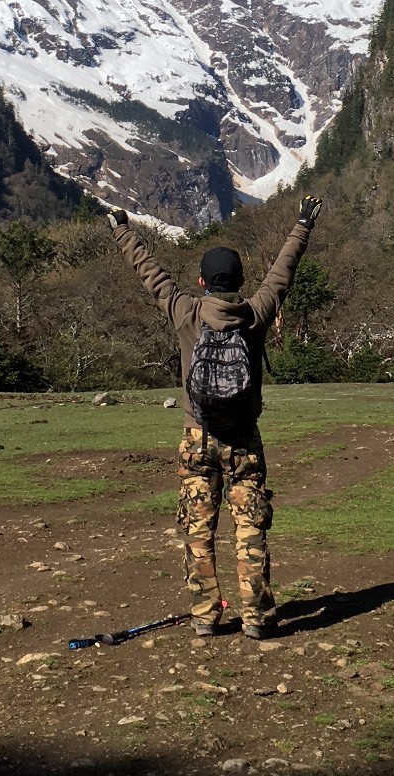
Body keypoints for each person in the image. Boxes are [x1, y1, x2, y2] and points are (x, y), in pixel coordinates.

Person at [108, 196, 321, 640]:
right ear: (241, 281)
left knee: (198, 530)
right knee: (251, 531)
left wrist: (122, 229)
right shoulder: (256, 313)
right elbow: (283, 272)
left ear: (202, 281)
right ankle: (257, 617)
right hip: (245, 441)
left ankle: (205, 615)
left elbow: (149, 272)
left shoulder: (185, 311)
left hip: (197, 438)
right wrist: (302, 224)